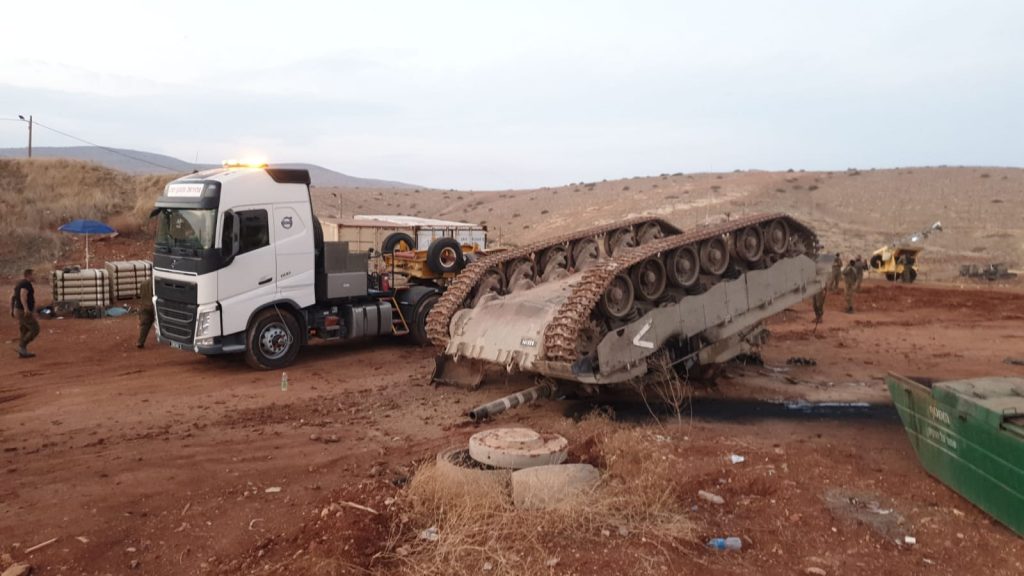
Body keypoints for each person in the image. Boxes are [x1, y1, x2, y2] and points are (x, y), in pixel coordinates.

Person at [10, 269, 39, 358]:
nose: (35, 276)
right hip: (22, 311)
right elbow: (23, 296)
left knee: (24, 329)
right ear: (28, 275)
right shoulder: (26, 284)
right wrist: (26, 309)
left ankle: (23, 352)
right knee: (35, 328)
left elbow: (12, 297)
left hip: (18, 310)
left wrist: (11, 310)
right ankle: (22, 346)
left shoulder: (20, 283)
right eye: (33, 275)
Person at [137, 278, 155, 348]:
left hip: (144, 306)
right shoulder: (155, 284)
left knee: (145, 326)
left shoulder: (143, 283)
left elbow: (141, 294)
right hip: (153, 306)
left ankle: (140, 342)